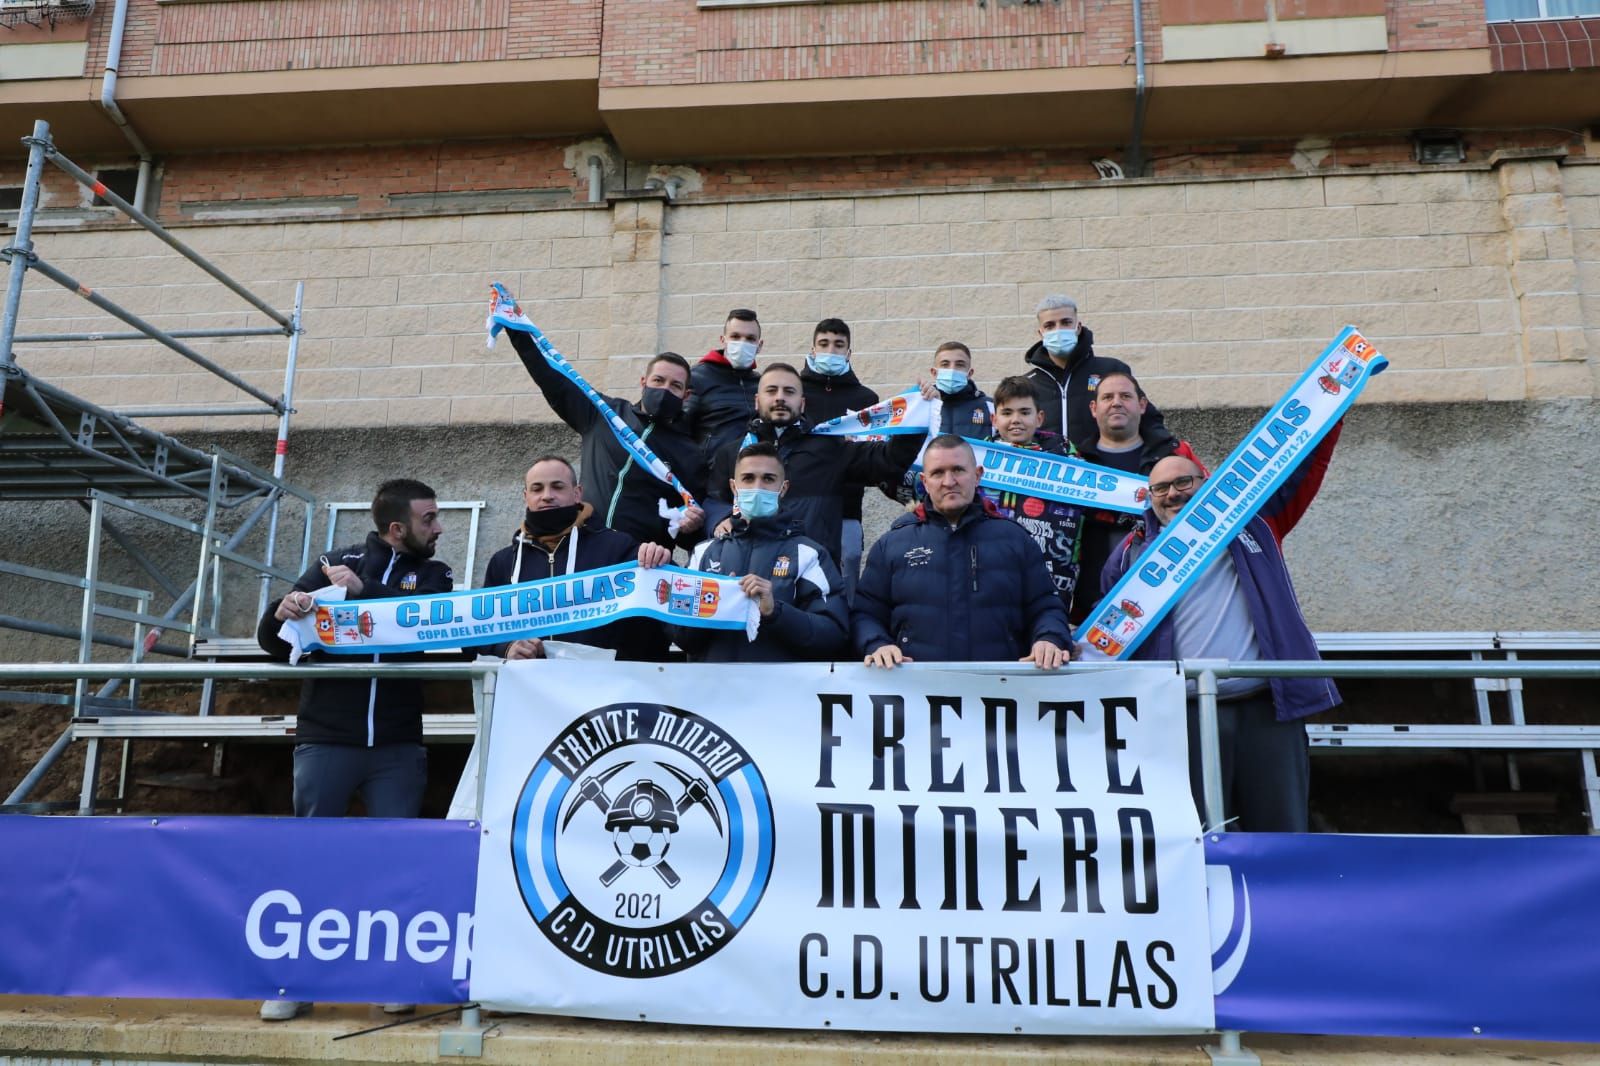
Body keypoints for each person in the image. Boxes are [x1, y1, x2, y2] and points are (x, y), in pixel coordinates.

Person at [254, 478, 452, 1022]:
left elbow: (436, 631)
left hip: (396, 743)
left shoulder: (434, 575)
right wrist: (284, 608)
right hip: (326, 737)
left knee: (397, 862)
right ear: (397, 527)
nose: (438, 528)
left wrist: (366, 593)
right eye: (429, 519)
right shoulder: (332, 561)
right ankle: (294, 979)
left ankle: (393, 975)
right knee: (312, 860)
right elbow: (270, 643)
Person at [1100, 431, 1344, 833]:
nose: (1172, 494)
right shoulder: (1130, 554)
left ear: (1206, 484)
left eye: (1184, 483)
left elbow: (1305, 464)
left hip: (1264, 708)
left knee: (1279, 829)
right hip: (1183, 715)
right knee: (1194, 836)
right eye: (1160, 488)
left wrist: (1336, 397)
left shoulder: (1257, 528)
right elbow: (1108, 631)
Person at [853, 435, 1071, 669]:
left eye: (958, 470)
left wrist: (1049, 639)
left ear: (977, 475)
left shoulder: (1016, 539)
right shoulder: (892, 544)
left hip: (1002, 692)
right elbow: (865, 614)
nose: (949, 481)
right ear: (925, 482)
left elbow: (1046, 606)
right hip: (918, 695)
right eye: (938, 473)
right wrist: (876, 644)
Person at [706, 362, 921, 569]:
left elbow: (887, 461)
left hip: (814, 572)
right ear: (757, 400)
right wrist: (720, 519)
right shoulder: (733, 451)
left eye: (789, 392)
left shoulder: (831, 448)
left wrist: (916, 417)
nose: (780, 397)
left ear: (802, 403)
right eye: (771, 391)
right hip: (745, 570)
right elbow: (713, 500)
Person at [508, 331, 705, 552]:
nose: (664, 390)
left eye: (675, 386)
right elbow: (550, 377)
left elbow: (690, 536)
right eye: (658, 381)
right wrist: (515, 329)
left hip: (639, 561)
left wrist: (691, 526)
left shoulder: (690, 454)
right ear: (643, 382)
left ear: (686, 396)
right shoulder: (604, 413)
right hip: (581, 549)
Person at [480, 456, 672, 662]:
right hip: (528, 688)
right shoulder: (503, 562)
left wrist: (660, 560)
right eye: (537, 489)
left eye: (557, 487)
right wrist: (505, 648)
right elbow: (477, 632)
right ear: (526, 496)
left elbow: (660, 612)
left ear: (577, 493)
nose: (546, 496)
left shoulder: (617, 548)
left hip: (603, 687)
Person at [675, 442, 847, 662]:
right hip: (713, 692)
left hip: (778, 693)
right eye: (748, 478)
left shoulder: (809, 554)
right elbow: (681, 636)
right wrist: (712, 608)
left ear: (783, 488)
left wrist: (775, 612)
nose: (758, 487)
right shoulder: (704, 552)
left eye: (768, 479)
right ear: (733, 487)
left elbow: (833, 635)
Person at [1072, 369, 1204, 625]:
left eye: (1125, 396)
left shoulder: (1175, 455)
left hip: (1172, 600)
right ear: (1093, 408)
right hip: (1092, 606)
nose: (1116, 402)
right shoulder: (1075, 462)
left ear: (1142, 405)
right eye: (1107, 397)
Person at [983, 375, 1085, 619]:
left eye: (1024, 412)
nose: (1016, 420)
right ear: (994, 419)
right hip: (990, 571)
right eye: (1007, 413)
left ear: (1039, 418)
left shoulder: (1067, 457)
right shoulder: (975, 458)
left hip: (1054, 574)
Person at [799, 317, 878, 600]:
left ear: (849, 353)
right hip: (797, 509)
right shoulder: (795, 392)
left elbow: (872, 457)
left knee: (845, 593)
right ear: (812, 348)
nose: (831, 351)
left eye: (838, 345)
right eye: (824, 344)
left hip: (846, 511)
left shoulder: (866, 398)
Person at [1022, 294, 1166, 446]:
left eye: (1066, 322)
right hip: (1049, 468)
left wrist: (1166, 451)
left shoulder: (1112, 371)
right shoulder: (1026, 385)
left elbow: (1148, 420)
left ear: (1078, 327)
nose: (1058, 330)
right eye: (1049, 326)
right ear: (1041, 333)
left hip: (1101, 466)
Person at [884, 341, 996, 506]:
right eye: (945, 364)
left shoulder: (990, 407)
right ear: (934, 372)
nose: (952, 370)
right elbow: (893, 454)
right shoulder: (918, 406)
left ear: (969, 372)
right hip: (928, 503)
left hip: (979, 502)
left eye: (960, 365)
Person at [685, 308, 763, 455]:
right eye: (735, 336)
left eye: (750, 338)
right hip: (710, 472)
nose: (742, 343)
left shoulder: (762, 384)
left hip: (752, 472)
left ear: (759, 345)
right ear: (723, 340)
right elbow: (680, 430)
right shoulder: (696, 378)